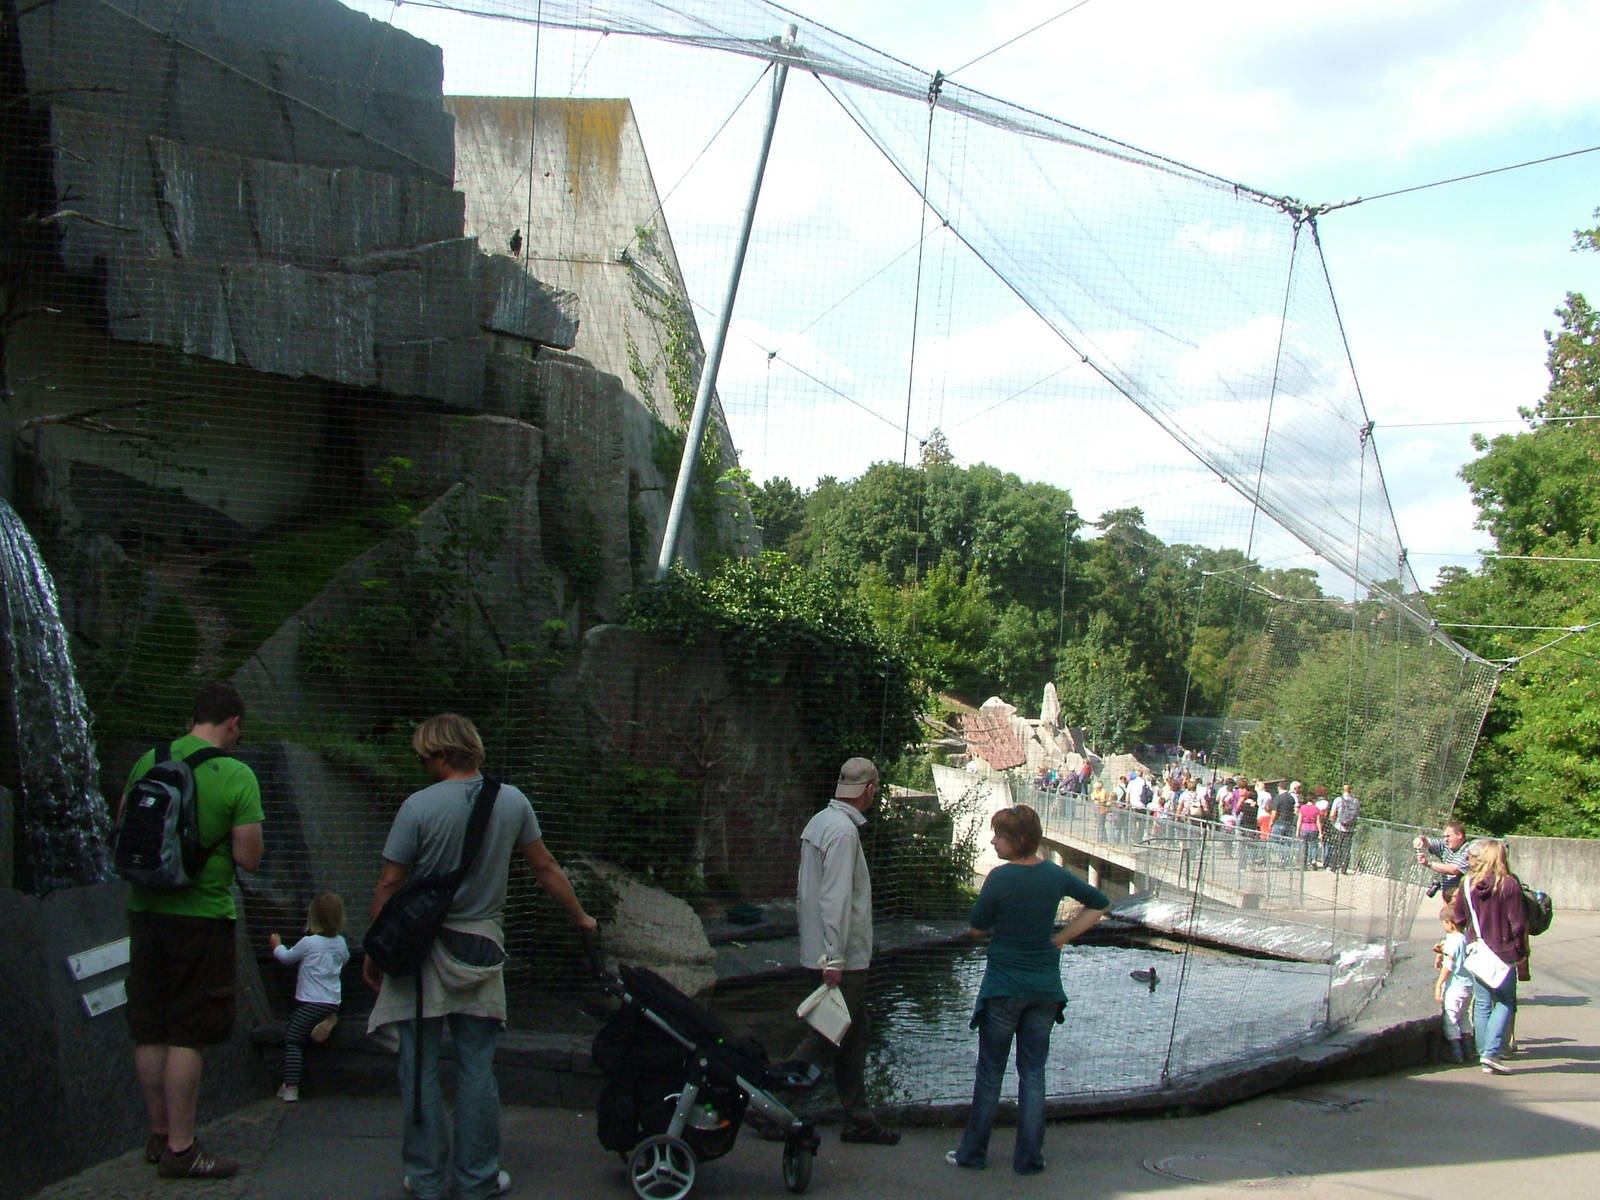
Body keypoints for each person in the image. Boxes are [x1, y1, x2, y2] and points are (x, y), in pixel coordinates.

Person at [363, 714, 597, 1200]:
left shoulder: (418, 806)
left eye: (425, 756)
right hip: (482, 942)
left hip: (418, 947)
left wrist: (374, 946)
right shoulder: (512, 801)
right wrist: (581, 918)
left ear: (443, 754)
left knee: (419, 1064)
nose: (423, 764)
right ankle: (477, 1178)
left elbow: (390, 881)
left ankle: (425, 1179)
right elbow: (545, 867)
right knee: (476, 1065)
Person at [122, 682, 264, 1180]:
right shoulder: (236, 773)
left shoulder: (149, 760)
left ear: (192, 718)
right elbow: (249, 857)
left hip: (144, 911)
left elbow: (125, 827)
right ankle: (184, 1149)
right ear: (232, 724)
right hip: (201, 917)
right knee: (187, 1031)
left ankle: (159, 1136)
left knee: (150, 1026)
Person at [947, 804, 1109, 1175]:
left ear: (1017, 840)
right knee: (1033, 1074)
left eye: (999, 835)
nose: (993, 841)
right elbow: (1099, 904)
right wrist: (1060, 938)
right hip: (1045, 988)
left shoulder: (1000, 878)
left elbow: (976, 927)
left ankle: (972, 1154)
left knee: (990, 1073)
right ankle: (1029, 1159)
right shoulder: (1054, 875)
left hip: (1004, 987)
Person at [790, 756, 899, 1145]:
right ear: (869, 790)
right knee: (826, 1034)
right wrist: (834, 959)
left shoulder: (821, 822)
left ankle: (859, 1119)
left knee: (854, 1033)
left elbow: (812, 894)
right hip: (841, 958)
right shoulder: (844, 833)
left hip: (821, 951)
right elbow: (834, 899)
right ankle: (767, 1106)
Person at [1447, 839, 1528, 1075]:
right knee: (1505, 1001)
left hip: (1477, 949)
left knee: (1482, 1003)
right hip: (1503, 952)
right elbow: (1519, 923)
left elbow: (1459, 917)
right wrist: (1520, 951)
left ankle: (1483, 1051)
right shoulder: (1508, 884)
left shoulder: (1467, 883)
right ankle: (1490, 1053)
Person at [269, 891, 350, 1102]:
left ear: (312, 917)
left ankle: (291, 1086)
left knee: (294, 1039)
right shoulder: (340, 942)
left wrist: (276, 946)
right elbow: (346, 960)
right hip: (332, 1001)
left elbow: (287, 958)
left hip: (310, 1003)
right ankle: (330, 1018)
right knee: (320, 1017)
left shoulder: (309, 942)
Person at [1432, 904, 1473, 1063]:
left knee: (1450, 1019)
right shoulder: (1465, 938)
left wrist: (1439, 985)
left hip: (1454, 986)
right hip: (1468, 985)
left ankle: (1456, 1054)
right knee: (1464, 1017)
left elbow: (1448, 965)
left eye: (1443, 923)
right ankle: (1468, 1051)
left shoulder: (1451, 942)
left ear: (1450, 923)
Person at [1415, 820, 1470, 897]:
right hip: (1447, 894)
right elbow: (1428, 842)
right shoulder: (1446, 846)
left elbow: (1453, 870)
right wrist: (1420, 839)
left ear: (1459, 835)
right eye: (1444, 837)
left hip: (1460, 897)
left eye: (1448, 836)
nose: (1445, 840)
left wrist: (1428, 864)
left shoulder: (1468, 851)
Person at [1326, 784, 1360, 873]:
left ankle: (1333, 867)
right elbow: (1356, 814)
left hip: (1339, 827)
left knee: (1336, 847)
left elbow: (1332, 814)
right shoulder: (1355, 801)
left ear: (1343, 790)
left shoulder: (1338, 800)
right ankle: (1344, 868)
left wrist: (1333, 823)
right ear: (1351, 790)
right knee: (1346, 849)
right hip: (1350, 828)